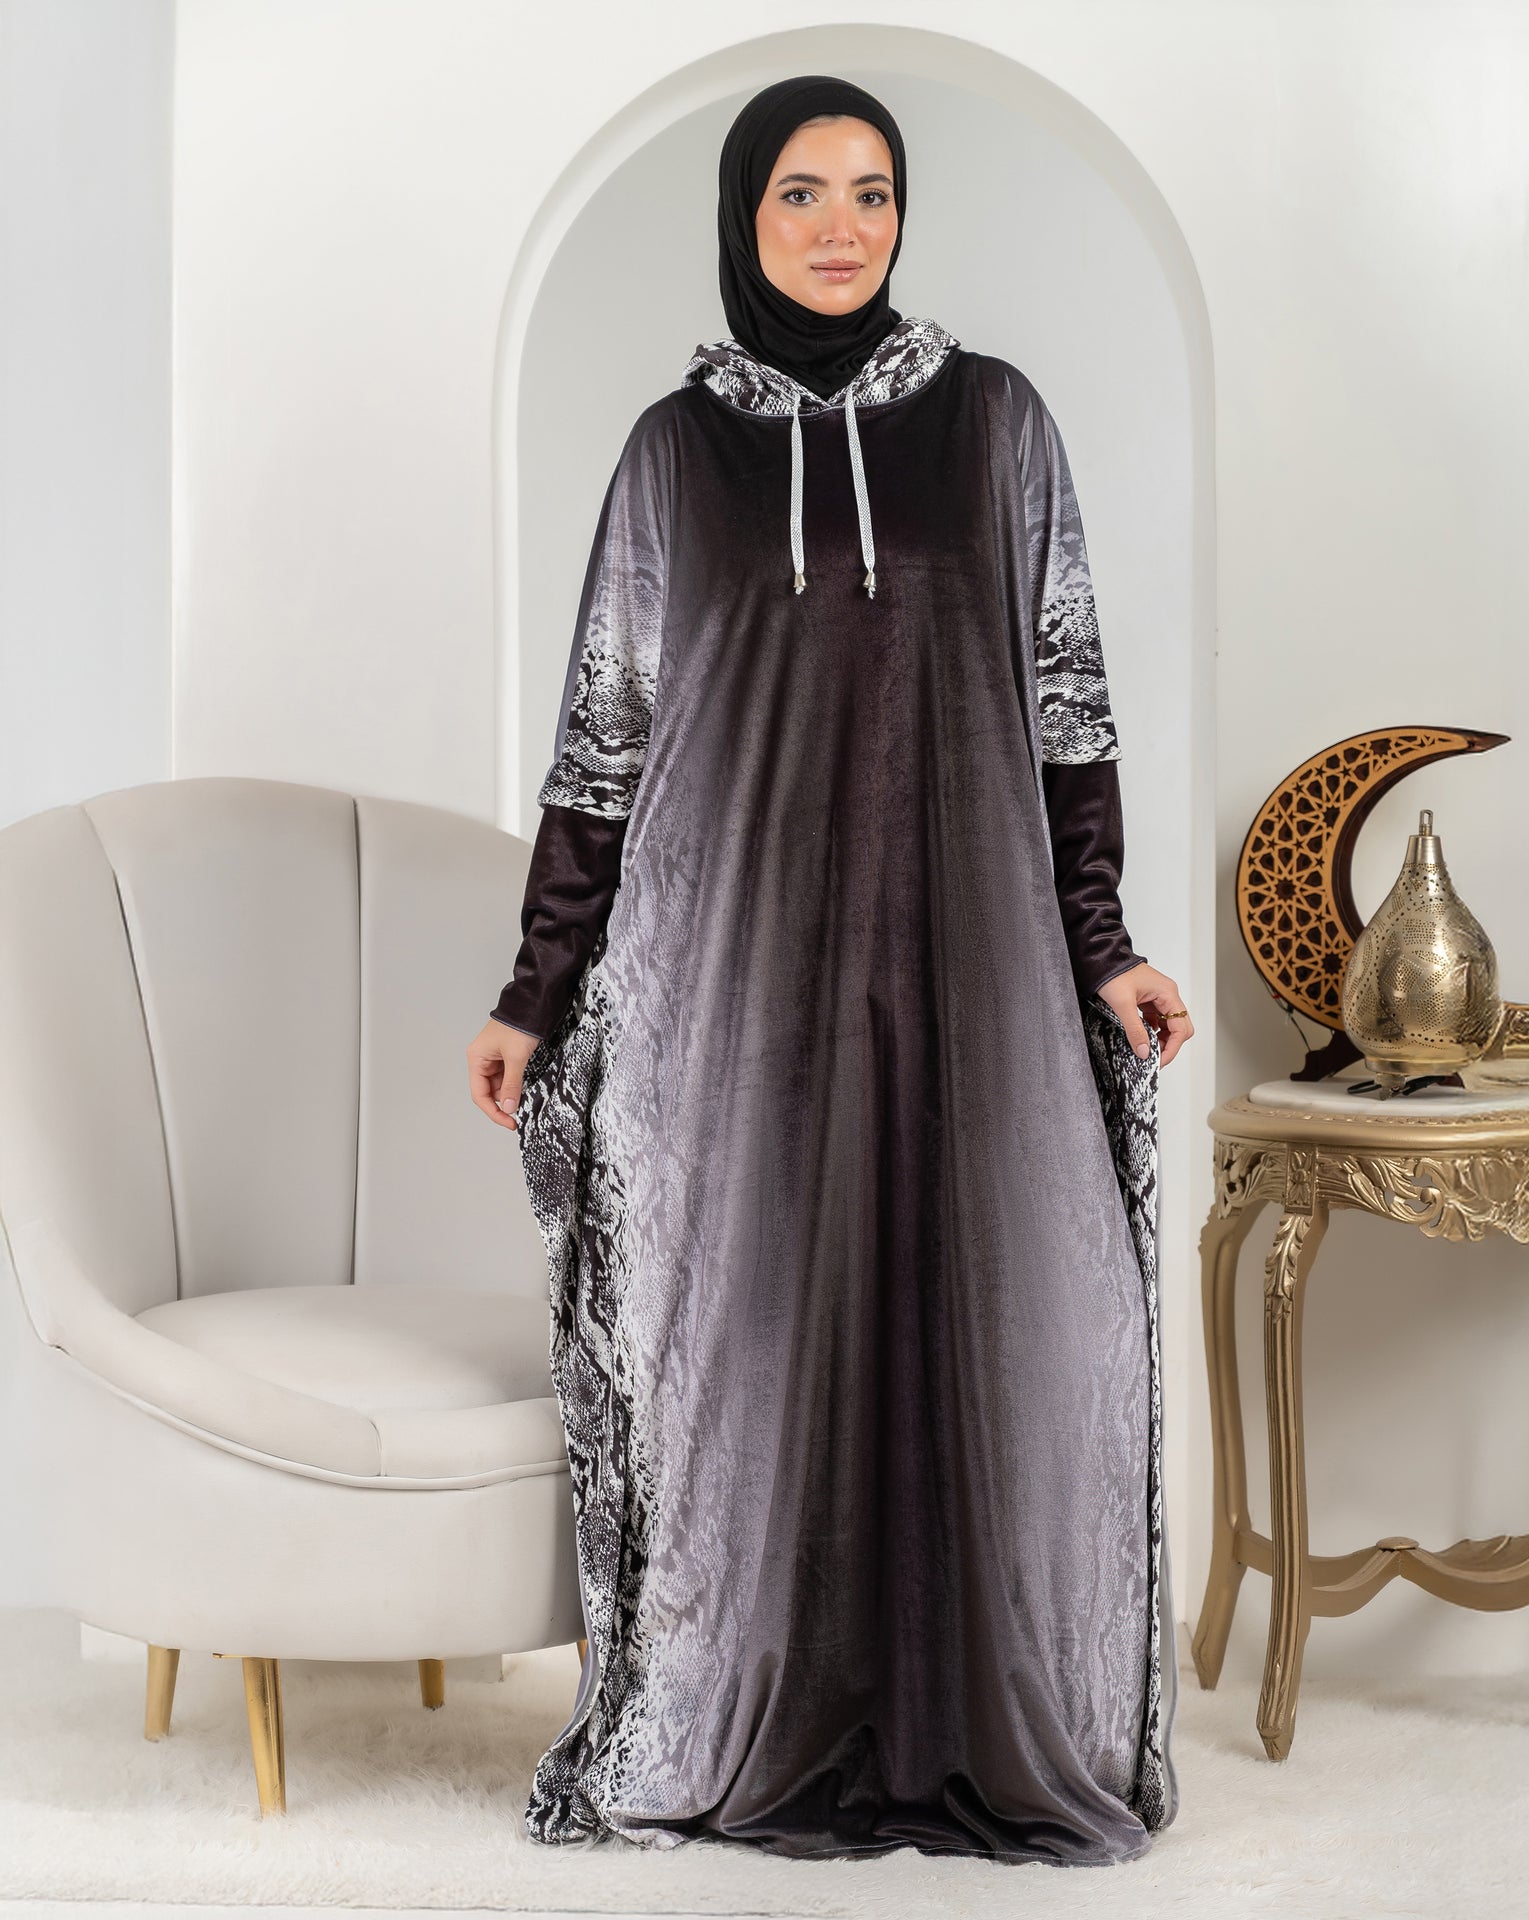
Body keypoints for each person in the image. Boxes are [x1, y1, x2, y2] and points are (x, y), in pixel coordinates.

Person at [465, 73, 1194, 1867]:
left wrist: (1102, 941)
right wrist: (537, 985)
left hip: (970, 955)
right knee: (747, 1332)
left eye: (872, 191)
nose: (843, 226)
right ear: (746, 214)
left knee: (983, 1310)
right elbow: (603, 745)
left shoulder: (997, 424)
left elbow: (1070, 703)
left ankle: (971, 1722)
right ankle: (753, 1709)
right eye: (802, 192)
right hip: (731, 976)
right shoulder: (673, 452)